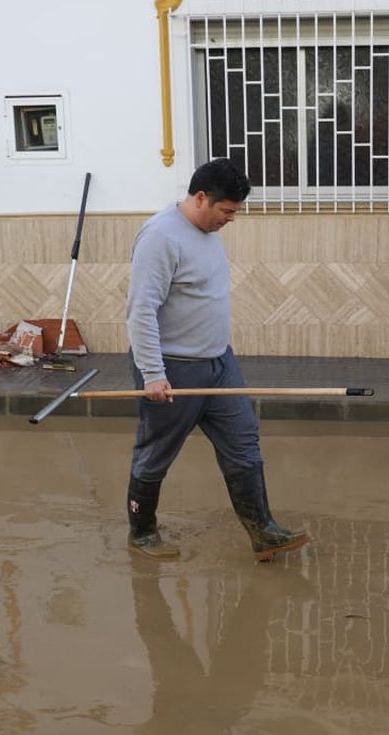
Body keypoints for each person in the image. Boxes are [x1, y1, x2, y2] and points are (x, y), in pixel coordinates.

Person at [125, 158, 308, 562]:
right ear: (202, 198)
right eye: (226, 211)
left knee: (244, 442)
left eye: (234, 213)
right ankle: (142, 531)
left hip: (220, 364)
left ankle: (263, 531)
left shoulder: (209, 231)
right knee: (157, 451)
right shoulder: (160, 236)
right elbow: (141, 311)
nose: (230, 219)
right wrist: (153, 374)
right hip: (173, 369)